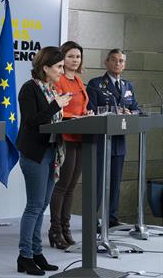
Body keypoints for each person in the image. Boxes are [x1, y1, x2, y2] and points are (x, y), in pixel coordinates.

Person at [16, 46, 71, 275]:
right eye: (58, 67)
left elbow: (52, 121)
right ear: (45, 67)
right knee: (34, 206)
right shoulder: (29, 89)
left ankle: (37, 253)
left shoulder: (51, 89)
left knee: (43, 206)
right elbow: (32, 122)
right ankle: (24, 256)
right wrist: (56, 105)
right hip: (34, 153)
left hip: (51, 152)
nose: (62, 70)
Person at [86, 49, 138, 230]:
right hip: (101, 140)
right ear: (106, 62)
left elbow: (136, 109)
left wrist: (131, 113)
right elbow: (90, 109)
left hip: (118, 141)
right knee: (98, 181)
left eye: (121, 61)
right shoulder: (95, 84)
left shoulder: (128, 86)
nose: (118, 64)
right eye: (114, 60)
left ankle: (112, 218)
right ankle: (92, 219)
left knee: (115, 181)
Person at [49, 41, 90, 249]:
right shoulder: (59, 80)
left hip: (82, 136)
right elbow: (56, 109)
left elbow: (82, 107)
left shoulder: (79, 80)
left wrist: (87, 115)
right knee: (62, 185)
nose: (75, 60)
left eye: (78, 57)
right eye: (71, 56)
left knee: (72, 187)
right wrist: (72, 116)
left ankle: (66, 228)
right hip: (66, 137)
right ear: (62, 58)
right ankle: (55, 231)